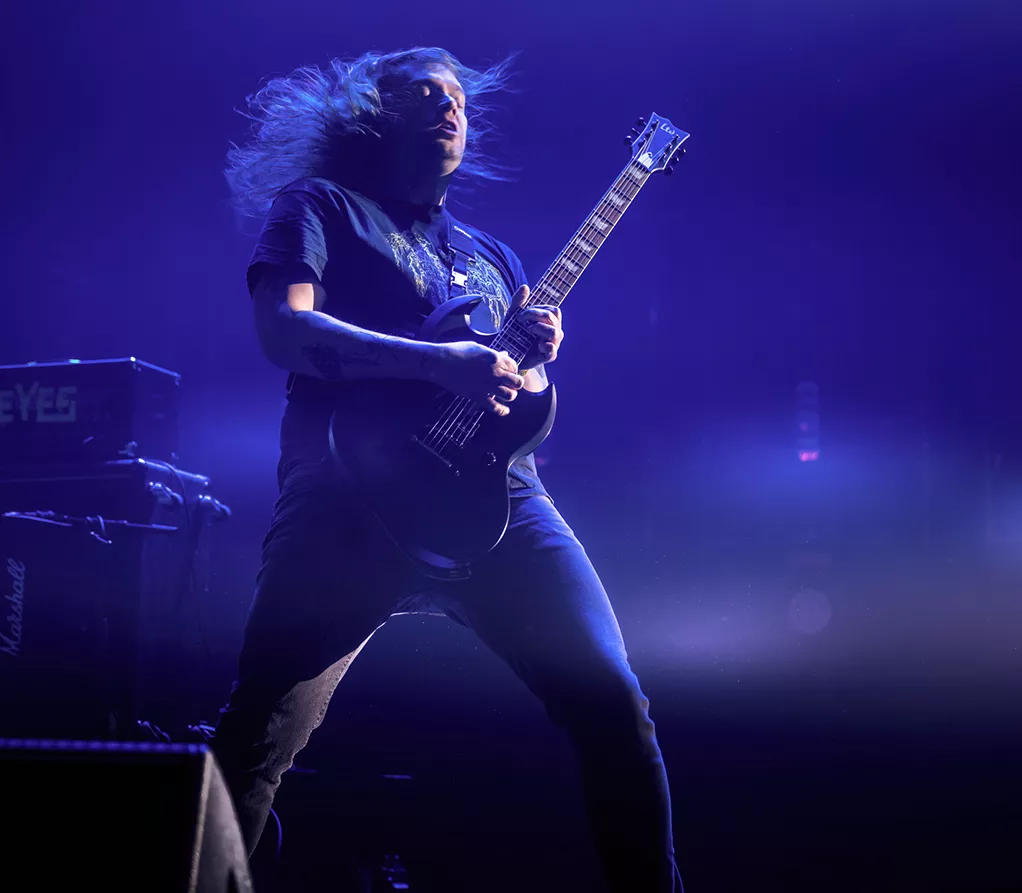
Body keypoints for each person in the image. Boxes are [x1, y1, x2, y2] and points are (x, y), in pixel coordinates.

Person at [212, 47, 684, 892]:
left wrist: (531, 365)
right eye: (426, 93)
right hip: (348, 497)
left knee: (616, 706)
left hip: (499, 503)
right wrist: (437, 364)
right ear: (374, 115)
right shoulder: (321, 206)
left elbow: (520, 411)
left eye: (459, 97)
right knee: (258, 737)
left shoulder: (491, 255)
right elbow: (284, 330)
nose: (450, 107)